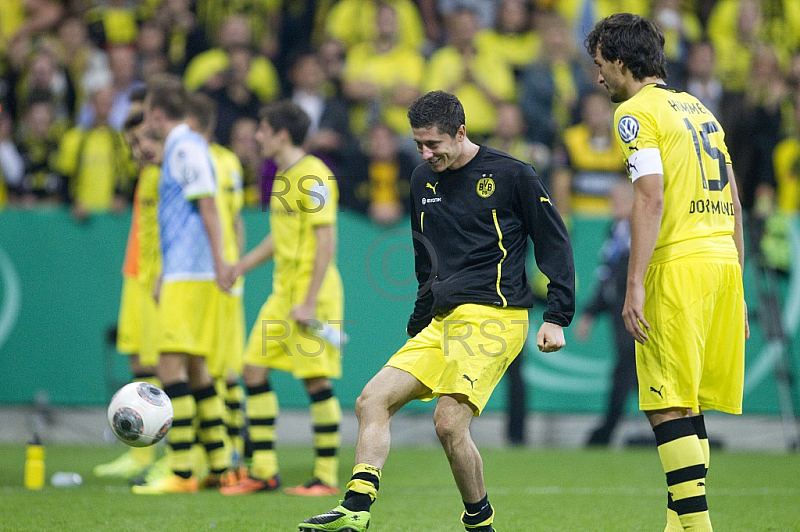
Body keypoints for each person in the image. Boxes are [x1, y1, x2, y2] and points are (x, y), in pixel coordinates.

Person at [299, 90, 575, 532]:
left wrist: (558, 315)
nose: (426, 154)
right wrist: (419, 319)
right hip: (443, 321)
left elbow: (554, 240)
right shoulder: (420, 180)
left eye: (433, 144)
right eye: (419, 144)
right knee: (372, 400)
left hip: (496, 315)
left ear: (460, 132)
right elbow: (424, 257)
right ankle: (355, 507)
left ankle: (479, 522)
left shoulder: (511, 174)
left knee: (447, 423)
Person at [585, 14, 748, 531]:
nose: (597, 79)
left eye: (599, 65)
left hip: (678, 265)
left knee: (666, 406)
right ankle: (679, 527)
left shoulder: (636, 113)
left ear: (619, 59)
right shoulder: (699, 109)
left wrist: (634, 284)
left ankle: (698, 529)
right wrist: (738, 287)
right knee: (688, 403)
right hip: (721, 259)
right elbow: (736, 201)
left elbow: (649, 196)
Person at [220, 100, 345, 497]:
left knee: (315, 379)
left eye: (263, 129)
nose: (257, 136)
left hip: (315, 296)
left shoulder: (316, 176)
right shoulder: (282, 177)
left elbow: (326, 243)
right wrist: (241, 265)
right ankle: (265, 471)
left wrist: (309, 301)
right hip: (282, 295)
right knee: (252, 368)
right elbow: (281, 237)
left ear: (282, 135)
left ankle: (325, 477)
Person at [132, 73, 233, 494]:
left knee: (168, 367)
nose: (144, 125)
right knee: (196, 370)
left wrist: (219, 263)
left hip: (191, 274)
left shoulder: (185, 147)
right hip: (186, 271)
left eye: (146, 117)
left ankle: (182, 471)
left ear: (157, 114)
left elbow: (208, 205)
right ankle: (221, 463)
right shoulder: (182, 146)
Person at [94, 98, 164, 480]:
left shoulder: (164, 173)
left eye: (140, 141)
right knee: (140, 362)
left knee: (163, 365)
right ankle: (140, 455)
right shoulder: (145, 174)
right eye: (131, 145)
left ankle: (178, 456)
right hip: (135, 274)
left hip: (154, 276)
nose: (137, 151)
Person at [184, 91, 248, 477]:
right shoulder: (193, 160)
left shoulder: (224, 162)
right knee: (197, 363)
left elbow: (235, 217)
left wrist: (233, 265)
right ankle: (202, 455)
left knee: (224, 367)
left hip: (218, 274)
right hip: (195, 273)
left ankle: (230, 453)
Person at [575, 179, 636, 446]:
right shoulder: (616, 230)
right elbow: (607, 275)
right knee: (628, 373)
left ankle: (606, 432)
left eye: (618, 202)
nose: (613, 207)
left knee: (626, 373)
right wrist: (589, 313)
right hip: (620, 313)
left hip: (637, 313)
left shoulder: (644, 230)